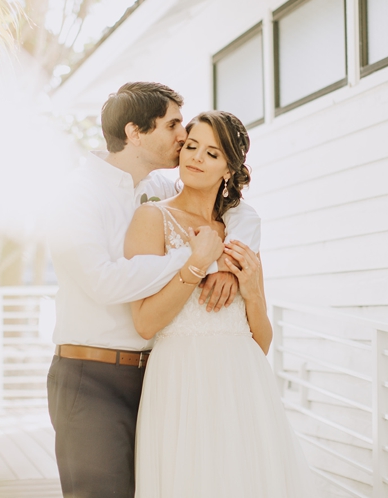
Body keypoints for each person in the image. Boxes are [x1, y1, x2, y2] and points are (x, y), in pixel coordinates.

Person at [45, 83, 261, 498]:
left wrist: (232, 265)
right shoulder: (75, 195)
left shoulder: (157, 187)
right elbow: (105, 282)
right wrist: (197, 262)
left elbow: (234, 208)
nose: (183, 138)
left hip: (157, 376)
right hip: (92, 376)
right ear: (135, 133)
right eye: (174, 125)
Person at [126, 111, 317, 498]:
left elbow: (260, 342)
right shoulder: (151, 219)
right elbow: (145, 324)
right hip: (181, 383)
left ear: (229, 168)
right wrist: (197, 265)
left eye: (212, 154)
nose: (196, 158)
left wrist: (253, 291)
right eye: (191, 146)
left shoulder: (240, 231)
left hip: (244, 386)